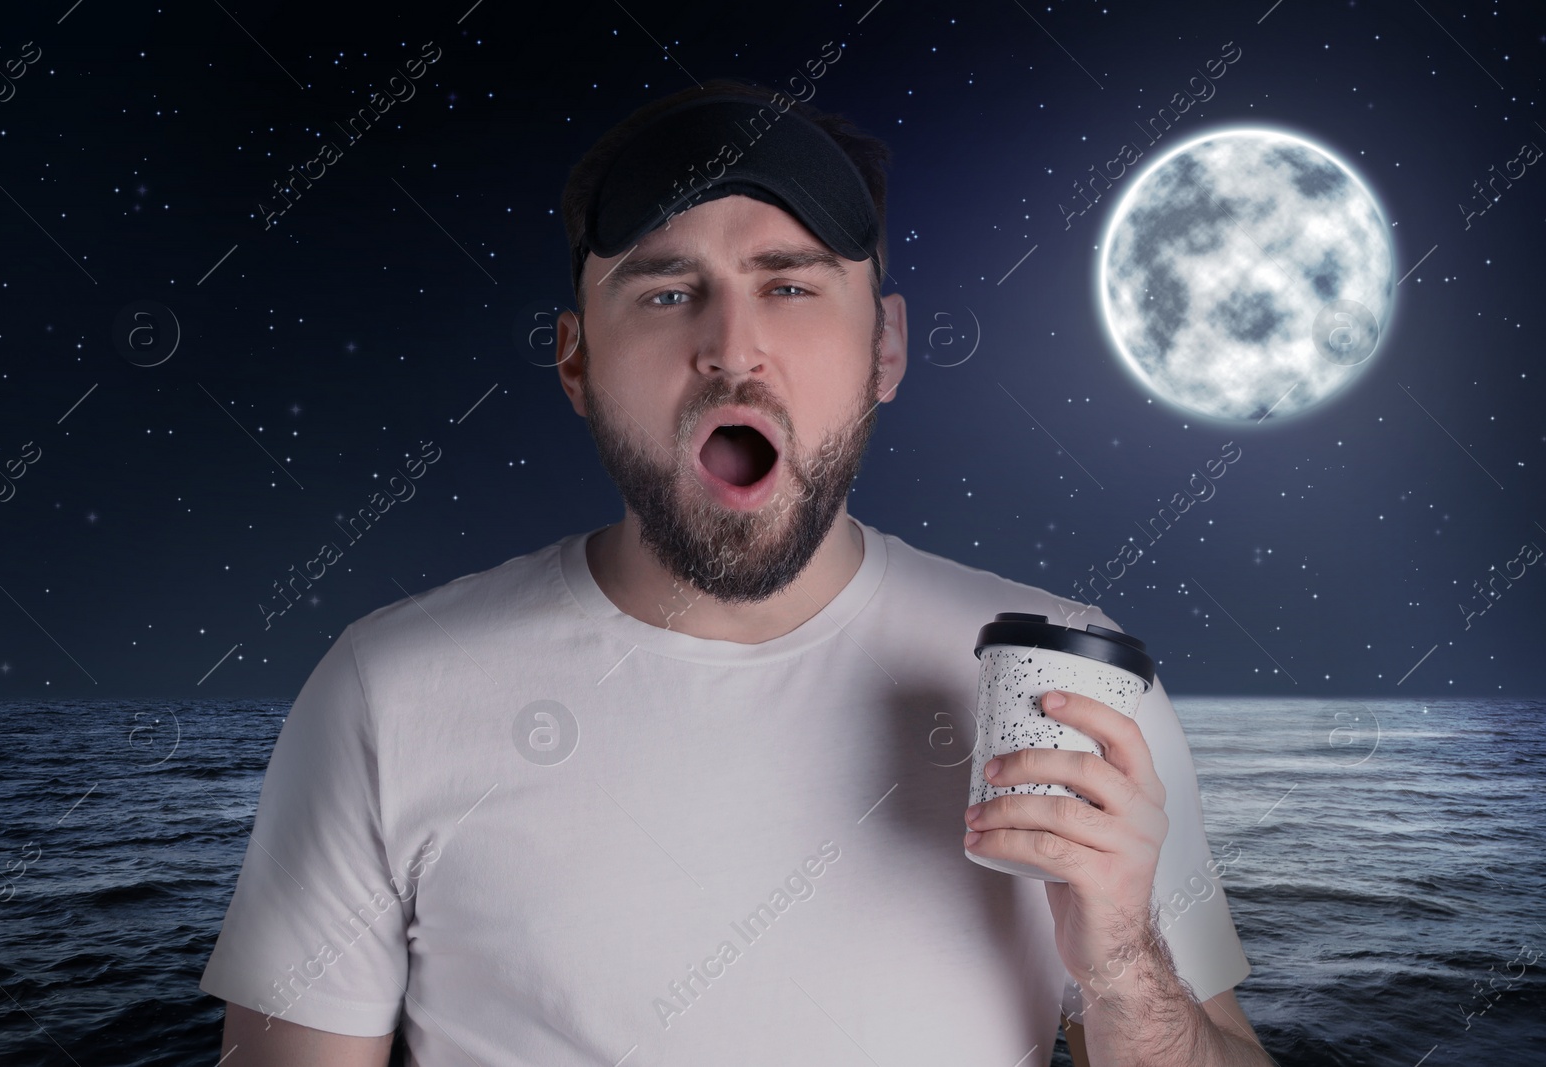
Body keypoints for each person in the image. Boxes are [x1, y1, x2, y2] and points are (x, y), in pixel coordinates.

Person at [201, 77, 1272, 1066]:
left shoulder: (1066, 681)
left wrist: (1124, 961)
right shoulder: (388, 690)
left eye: (792, 286)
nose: (731, 348)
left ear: (886, 349)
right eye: (666, 294)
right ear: (575, 361)